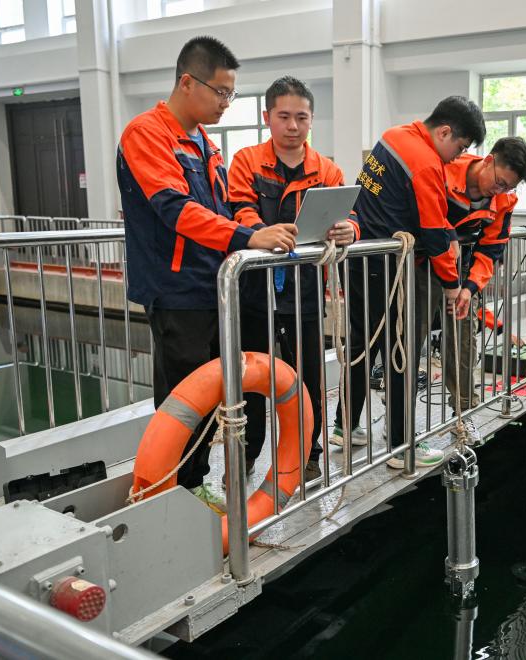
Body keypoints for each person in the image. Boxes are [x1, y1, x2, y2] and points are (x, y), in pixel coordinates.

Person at [117, 36, 297, 503]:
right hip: (175, 289)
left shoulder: (205, 144)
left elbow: (223, 210)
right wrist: (247, 238)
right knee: (183, 398)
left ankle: (193, 484)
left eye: (230, 94)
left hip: (212, 287)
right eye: (220, 92)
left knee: (210, 392)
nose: (225, 103)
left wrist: (260, 230)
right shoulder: (146, 134)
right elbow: (174, 209)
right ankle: (174, 492)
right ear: (186, 82)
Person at [332, 96, 486, 469]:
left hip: (359, 259)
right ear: (445, 132)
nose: (457, 157)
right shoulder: (426, 163)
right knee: (400, 351)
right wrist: (451, 285)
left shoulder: (393, 136)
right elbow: (432, 232)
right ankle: (402, 448)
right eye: (460, 147)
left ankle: (344, 427)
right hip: (387, 267)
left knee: (361, 345)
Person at [228, 76, 356, 483]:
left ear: (312, 119)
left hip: (305, 293)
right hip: (254, 291)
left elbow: (350, 213)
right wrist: (260, 233)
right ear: (267, 116)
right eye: (284, 116)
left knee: (308, 379)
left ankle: (308, 454)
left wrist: (349, 230)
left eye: (302, 117)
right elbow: (239, 209)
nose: (293, 126)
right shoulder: (247, 161)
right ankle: (246, 455)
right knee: (251, 379)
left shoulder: (327, 169)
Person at [438, 137, 526, 444]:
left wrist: (469, 288)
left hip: (460, 275)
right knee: (408, 343)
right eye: (500, 182)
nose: (500, 191)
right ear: (489, 160)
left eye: (508, 187)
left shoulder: (502, 201)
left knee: (464, 342)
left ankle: (463, 414)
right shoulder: (445, 170)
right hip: (422, 268)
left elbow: (491, 249)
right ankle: (399, 423)